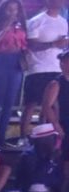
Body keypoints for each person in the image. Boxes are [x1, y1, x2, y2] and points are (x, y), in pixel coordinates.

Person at [0, 2, 29, 144]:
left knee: (9, 103)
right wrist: (5, 29)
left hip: (15, 64)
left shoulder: (21, 28)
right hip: (0, 62)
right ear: (3, 11)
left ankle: (1, 138)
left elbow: (24, 46)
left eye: (15, 10)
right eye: (9, 9)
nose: (13, 13)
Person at [25, 0, 69, 131]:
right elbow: (30, 45)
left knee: (54, 104)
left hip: (57, 67)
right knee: (31, 104)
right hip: (38, 67)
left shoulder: (63, 21)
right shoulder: (36, 21)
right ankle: (23, 137)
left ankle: (47, 132)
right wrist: (53, 44)